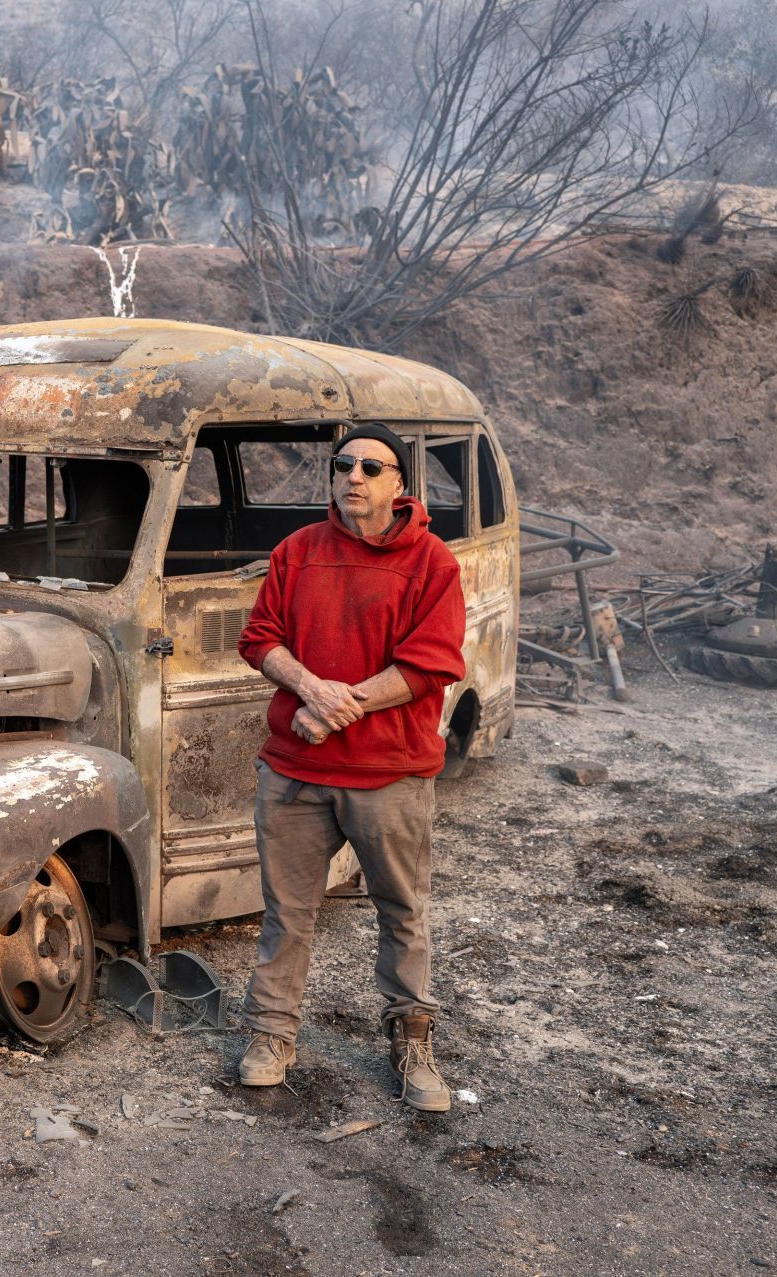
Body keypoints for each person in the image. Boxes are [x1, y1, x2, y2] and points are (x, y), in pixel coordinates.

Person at [233, 424, 467, 1112]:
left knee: (401, 911)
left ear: (401, 485)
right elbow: (261, 640)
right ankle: (271, 1035)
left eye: (371, 466)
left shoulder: (432, 563)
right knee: (287, 913)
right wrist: (310, 688)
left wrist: (333, 709)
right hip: (295, 773)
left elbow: (430, 666)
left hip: (389, 775)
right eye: (342, 465)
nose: (354, 476)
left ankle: (412, 1041)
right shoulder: (297, 552)